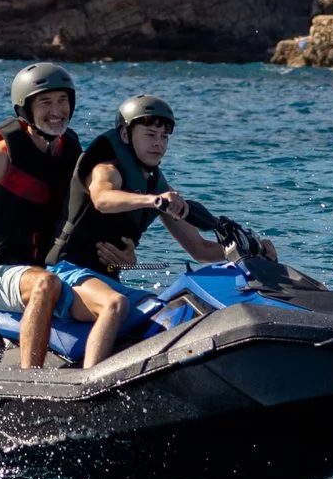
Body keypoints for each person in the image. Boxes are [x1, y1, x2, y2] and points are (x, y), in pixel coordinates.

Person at [44, 94, 257, 371]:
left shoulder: (154, 182)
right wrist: (153, 201)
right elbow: (102, 199)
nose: (158, 142)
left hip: (105, 280)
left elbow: (199, 249)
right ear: (125, 133)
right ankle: (89, 387)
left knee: (169, 308)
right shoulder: (107, 168)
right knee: (115, 305)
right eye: (150, 134)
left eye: (164, 136)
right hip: (66, 273)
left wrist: (252, 251)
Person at [0, 62, 122, 371]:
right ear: (25, 108)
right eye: (45, 102)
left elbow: (95, 215)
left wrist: (122, 254)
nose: (57, 110)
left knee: (114, 299)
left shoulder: (71, 153)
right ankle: (30, 380)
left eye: (63, 100)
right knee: (44, 284)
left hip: (55, 270)